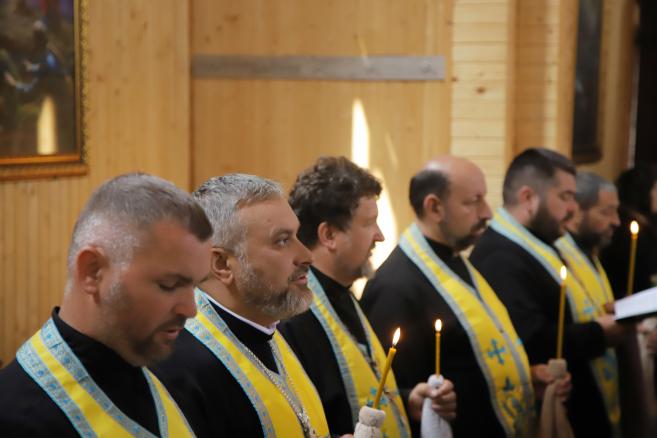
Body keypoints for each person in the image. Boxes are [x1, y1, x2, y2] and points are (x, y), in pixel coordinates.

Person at [362, 156, 570, 437]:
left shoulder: (455, 260)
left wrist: (524, 378)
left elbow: (467, 361)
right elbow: (398, 395)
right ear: (434, 207)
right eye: (474, 201)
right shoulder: (394, 288)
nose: (487, 213)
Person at [0, 173, 213, 436]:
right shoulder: (15, 418)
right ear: (93, 271)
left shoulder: (156, 366)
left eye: (195, 286)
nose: (190, 310)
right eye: (169, 285)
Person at [279, 156, 456, 437]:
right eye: (370, 223)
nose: (380, 236)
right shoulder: (293, 315)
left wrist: (408, 400)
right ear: (329, 235)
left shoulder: (343, 293)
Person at [152, 174, 330, 438]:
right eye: (282, 240)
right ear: (222, 264)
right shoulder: (179, 368)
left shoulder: (265, 325)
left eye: (296, 235)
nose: (307, 255)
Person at [470, 148, 631, 437]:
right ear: (528, 198)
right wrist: (599, 333)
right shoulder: (500, 256)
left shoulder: (536, 241)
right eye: (565, 197)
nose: (573, 208)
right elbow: (531, 340)